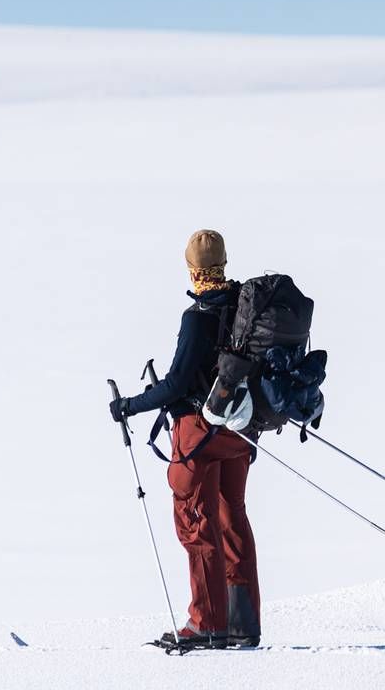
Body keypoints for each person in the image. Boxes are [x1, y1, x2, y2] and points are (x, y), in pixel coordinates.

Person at [109, 229, 262, 649]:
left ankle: (206, 623)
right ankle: (242, 625)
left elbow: (176, 383)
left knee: (196, 525)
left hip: (199, 434)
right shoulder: (245, 311)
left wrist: (129, 405)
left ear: (194, 270)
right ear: (224, 263)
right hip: (240, 433)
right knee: (234, 521)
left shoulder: (197, 318)